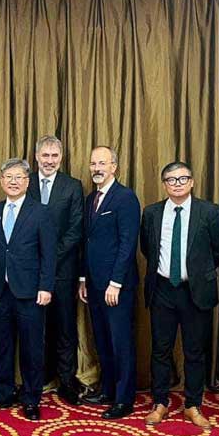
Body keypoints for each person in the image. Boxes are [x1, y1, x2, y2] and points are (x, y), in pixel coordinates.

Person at [138, 161, 219, 431]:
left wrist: (199, 271)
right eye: (171, 180)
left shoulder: (209, 211)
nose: (176, 184)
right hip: (162, 289)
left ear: (191, 182)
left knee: (194, 351)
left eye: (182, 179)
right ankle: (160, 403)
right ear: (164, 184)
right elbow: (147, 248)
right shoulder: (152, 213)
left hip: (195, 291)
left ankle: (193, 404)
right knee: (160, 349)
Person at [0, 159, 55, 421]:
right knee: (1, 345)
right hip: (0, 291)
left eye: (18, 177)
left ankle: (31, 399)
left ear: (27, 181)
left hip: (31, 292)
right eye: (8, 177)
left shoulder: (41, 212)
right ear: (1, 182)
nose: (13, 182)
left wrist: (45, 286)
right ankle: (3, 392)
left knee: (32, 348)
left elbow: (48, 254)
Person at [78, 145, 141, 420]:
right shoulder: (90, 199)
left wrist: (116, 282)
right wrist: (83, 278)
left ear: (114, 166)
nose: (97, 168)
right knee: (102, 339)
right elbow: (87, 241)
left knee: (120, 341)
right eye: (93, 164)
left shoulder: (125, 198)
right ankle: (107, 390)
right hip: (93, 284)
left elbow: (128, 243)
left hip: (117, 285)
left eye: (102, 163)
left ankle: (124, 399)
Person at [27, 135, 86, 405]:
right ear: (36, 157)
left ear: (61, 158)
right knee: (34, 327)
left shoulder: (72, 186)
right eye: (45, 155)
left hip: (63, 270)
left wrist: (50, 257)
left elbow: (75, 229)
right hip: (30, 270)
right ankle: (36, 379)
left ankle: (66, 381)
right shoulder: (25, 183)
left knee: (64, 327)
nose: (49, 161)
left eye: (54, 156)